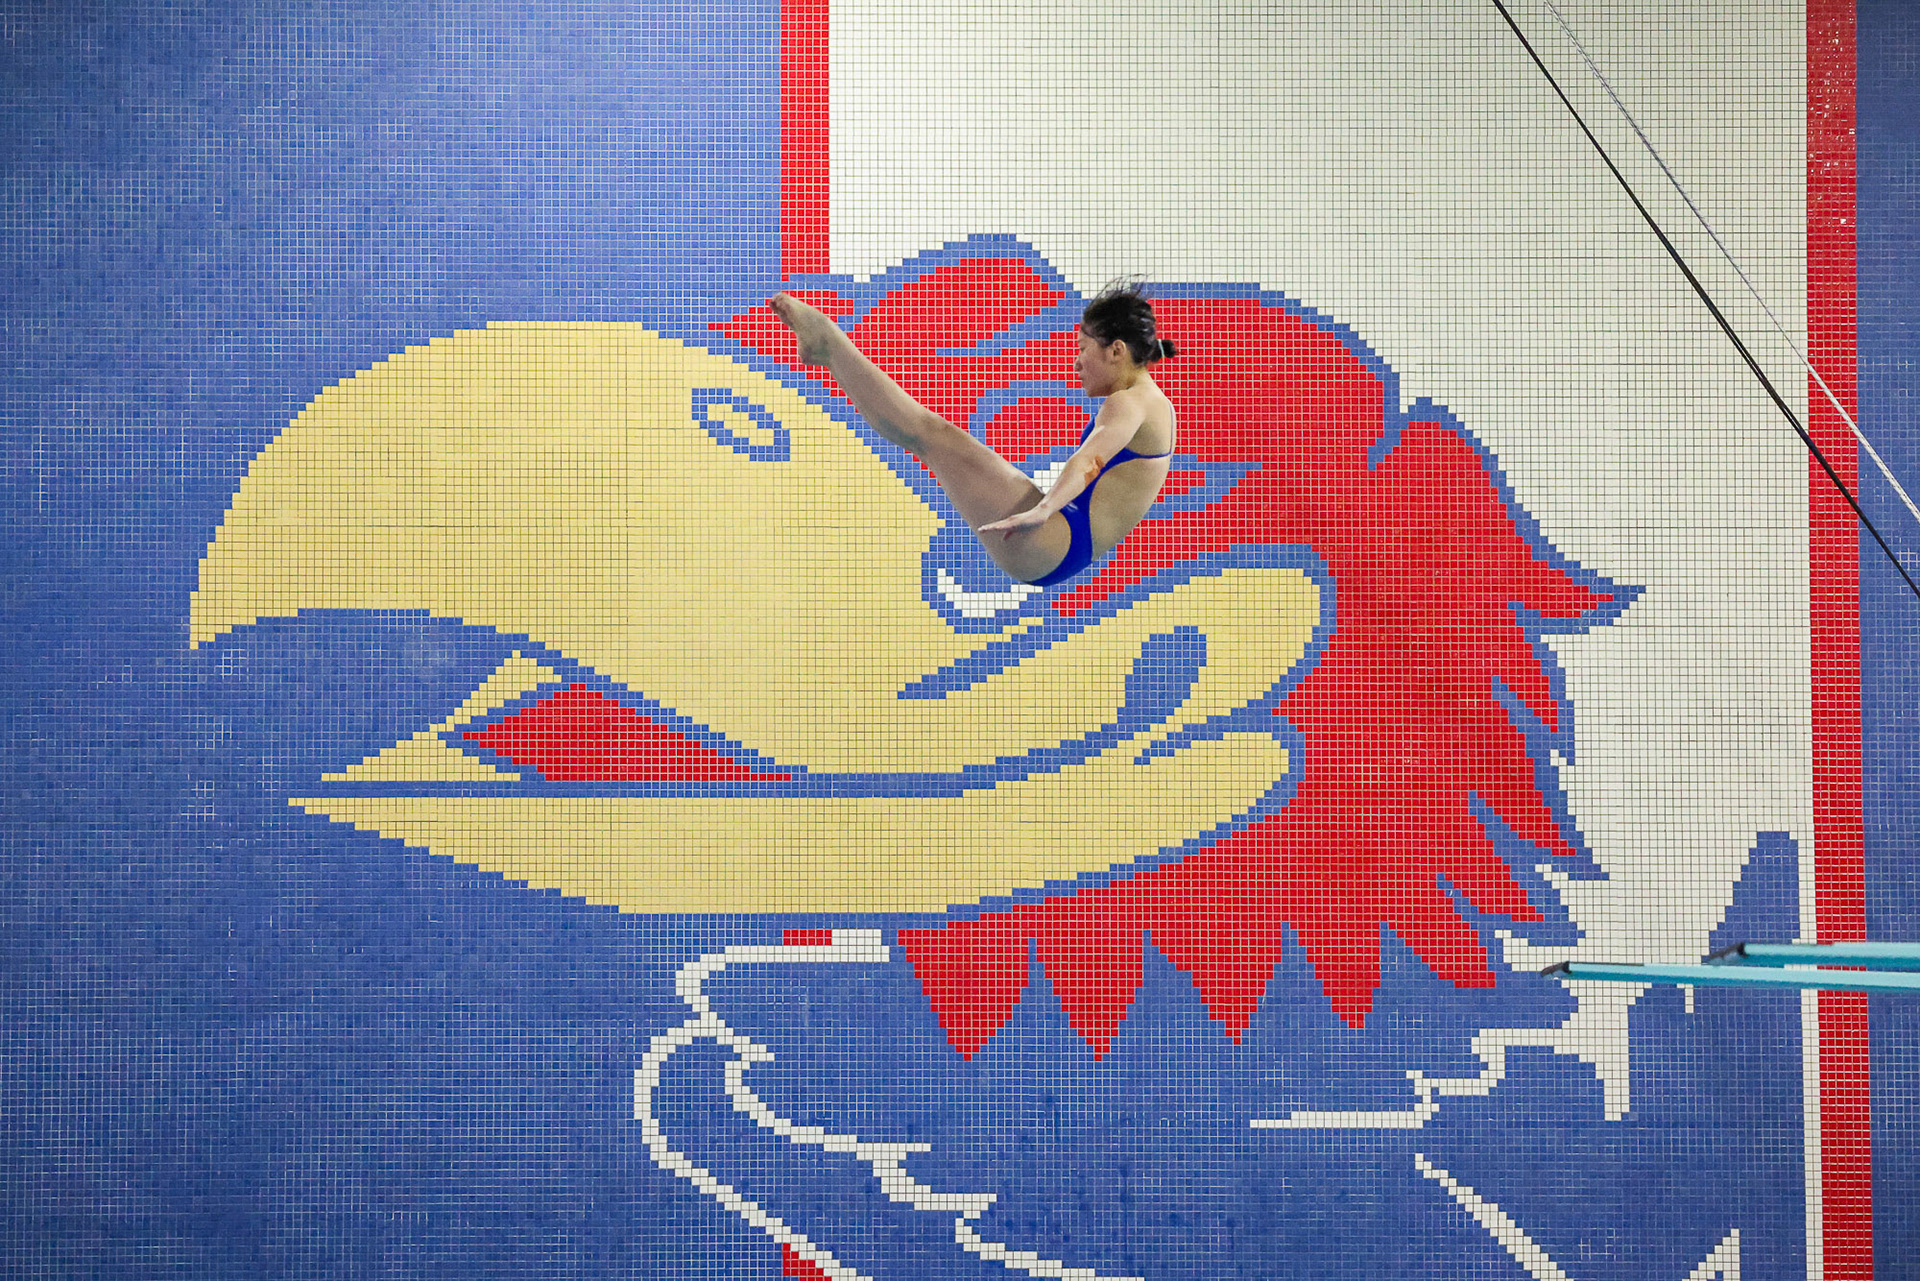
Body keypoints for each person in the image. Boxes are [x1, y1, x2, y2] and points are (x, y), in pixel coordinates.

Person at [769, 287, 1178, 586]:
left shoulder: (1128, 404)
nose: (1076, 362)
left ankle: (828, 344)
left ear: (1117, 350)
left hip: (1053, 541)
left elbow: (1090, 460)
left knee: (932, 435)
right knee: (935, 438)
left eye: (1082, 347)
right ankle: (829, 350)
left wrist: (1043, 509)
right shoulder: (1154, 404)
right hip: (1066, 546)